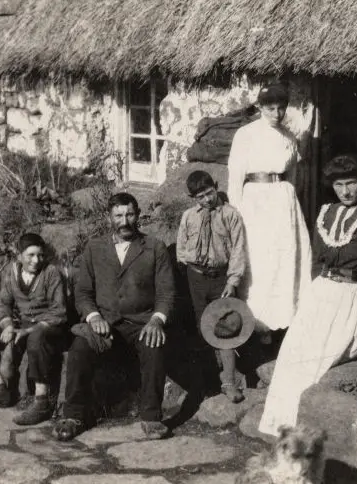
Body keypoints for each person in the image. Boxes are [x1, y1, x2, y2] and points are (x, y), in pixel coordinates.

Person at [258, 154, 357, 436]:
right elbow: (315, 260)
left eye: (351, 183)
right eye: (339, 184)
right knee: (292, 354)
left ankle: (310, 432)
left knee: (322, 359)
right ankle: (283, 430)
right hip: (322, 294)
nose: (345, 191)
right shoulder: (326, 214)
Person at [52, 192, 176, 441]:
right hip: (104, 324)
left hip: (141, 322)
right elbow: (83, 293)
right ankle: (73, 415)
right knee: (79, 350)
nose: (125, 221)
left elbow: (166, 292)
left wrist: (156, 320)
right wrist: (94, 317)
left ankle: (151, 418)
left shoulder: (154, 247)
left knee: (154, 347)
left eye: (130, 214)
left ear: (138, 215)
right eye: (118, 215)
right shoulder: (94, 248)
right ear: (110, 218)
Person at [226, 84, 312, 337]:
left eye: (281, 108)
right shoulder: (246, 134)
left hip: (283, 199)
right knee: (260, 258)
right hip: (256, 199)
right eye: (271, 108)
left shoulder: (288, 136)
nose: (276, 113)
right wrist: (238, 212)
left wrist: (290, 200)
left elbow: (294, 175)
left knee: (287, 256)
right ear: (261, 108)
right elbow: (235, 176)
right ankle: (259, 323)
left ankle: (286, 320)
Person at [0, 233, 69, 426]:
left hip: (49, 328)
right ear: (19, 256)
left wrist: (28, 331)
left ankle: (42, 401)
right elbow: (3, 305)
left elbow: (59, 311)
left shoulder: (51, 272)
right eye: (30, 255)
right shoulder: (11, 272)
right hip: (21, 326)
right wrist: (8, 326)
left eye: (40, 255)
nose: (36, 260)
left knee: (37, 337)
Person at [176, 170, 250, 402]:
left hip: (220, 278)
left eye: (209, 193)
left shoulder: (230, 215)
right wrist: (185, 266)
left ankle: (229, 382)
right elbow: (181, 245)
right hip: (196, 276)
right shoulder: (189, 216)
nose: (207, 200)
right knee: (202, 327)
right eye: (200, 197)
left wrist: (232, 280)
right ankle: (211, 377)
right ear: (193, 198)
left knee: (225, 326)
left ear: (216, 186)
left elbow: (238, 249)